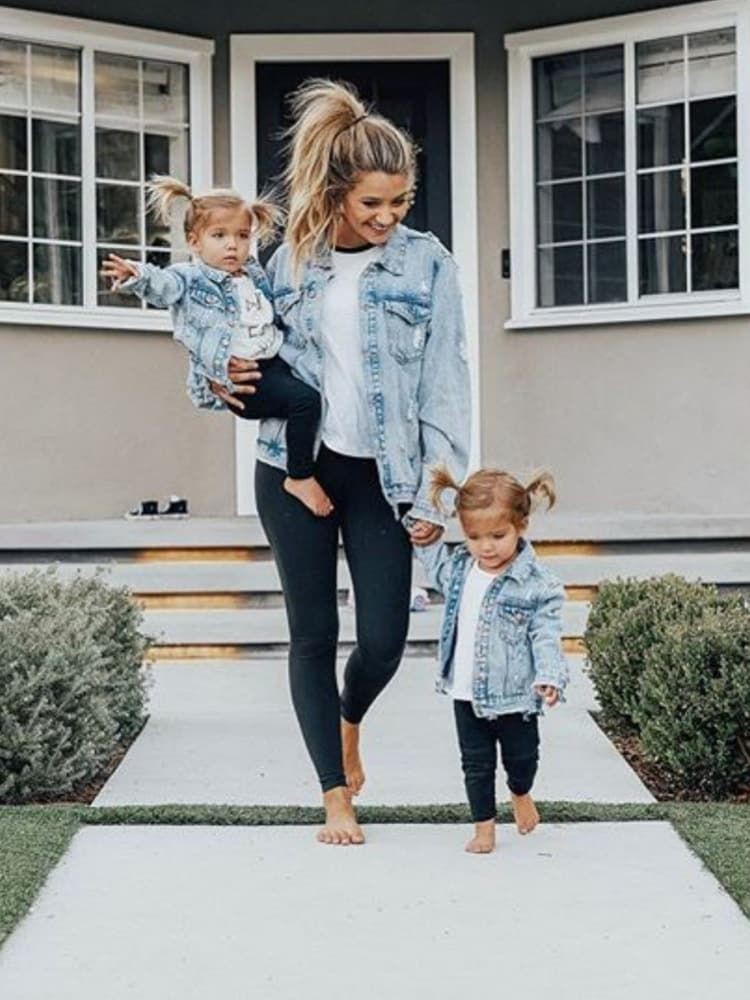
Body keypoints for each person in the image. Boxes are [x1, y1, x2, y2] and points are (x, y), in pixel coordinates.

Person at [209, 79, 471, 845]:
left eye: (400, 201)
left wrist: (436, 495)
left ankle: (349, 717)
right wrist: (224, 377)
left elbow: (446, 387)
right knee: (314, 632)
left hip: (384, 476)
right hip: (296, 470)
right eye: (371, 205)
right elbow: (227, 334)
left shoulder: (428, 265)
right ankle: (333, 793)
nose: (388, 218)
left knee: (386, 637)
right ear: (335, 195)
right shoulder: (283, 262)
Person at [101, 176, 333, 517]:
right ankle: (299, 475)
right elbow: (164, 284)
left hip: (273, 362)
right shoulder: (192, 278)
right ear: (195, 243)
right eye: (219, 236)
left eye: (242, 236)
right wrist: (136, 275)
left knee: (314, 387)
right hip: (248, 381)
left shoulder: (252, 275)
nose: (232, 246)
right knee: (305, 402)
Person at [417, 465, 568, 854]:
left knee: (522, 760)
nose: (486, 546)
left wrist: (549, 674)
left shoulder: (538, 583)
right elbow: (432, 562)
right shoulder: (459, 570)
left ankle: (521, 792)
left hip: (516, 695)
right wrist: (424, 534)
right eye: (474, 537)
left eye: (498, 536)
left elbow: (545, 633)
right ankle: (484, 827)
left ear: (522, 525)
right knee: (476, 764)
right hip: (465, 692)